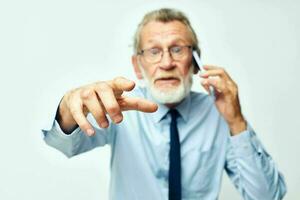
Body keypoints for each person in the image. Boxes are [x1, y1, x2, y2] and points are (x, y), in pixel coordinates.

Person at [42, 8, 287, 200]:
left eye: (178, 49)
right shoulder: (120, 105)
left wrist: (236, 122)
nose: (167, 62)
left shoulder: (220, 113)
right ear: (138, 66)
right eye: (154, 51)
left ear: (195, 61)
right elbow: (63, 146)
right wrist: (67, 109)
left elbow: (267, 197)